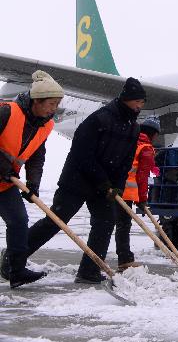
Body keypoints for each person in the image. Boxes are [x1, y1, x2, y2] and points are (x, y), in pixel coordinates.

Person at [25, 77, 144, 283]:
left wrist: (117, 186)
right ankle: (14, 256)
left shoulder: (133, 128)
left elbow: (125, 163)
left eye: (142, 103)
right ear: (126, 99)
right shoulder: (99, 119)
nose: (140, 106)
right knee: (56, 221)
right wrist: (102, 181)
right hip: (77, 180)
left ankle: (89, 271)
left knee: (106, 222)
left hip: (104, 185)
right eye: (137, 102)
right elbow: (82, 154)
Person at [0, 71, 64, 288]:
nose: (54, 109)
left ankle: (15, 271)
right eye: (51, 104)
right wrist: (3, 167)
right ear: (37, 101)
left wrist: (33, 183)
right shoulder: (7, 112)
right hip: (4, 174)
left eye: (57, 104)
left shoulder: (44, 125)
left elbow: (37, 156)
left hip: (5, 183)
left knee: (18, 221)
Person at [114, 116, 160, 270]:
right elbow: (142, 176)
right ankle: (125, 259)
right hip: (127, 192)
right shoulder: (146, 148)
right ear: (153, 134)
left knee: (107, 224)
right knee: (123, 225)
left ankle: (99, 256)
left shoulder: (128, 141)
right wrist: (143, 199)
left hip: (113, 188)